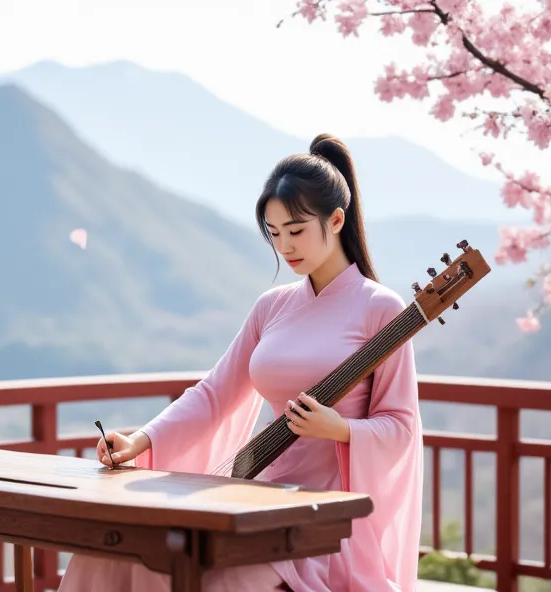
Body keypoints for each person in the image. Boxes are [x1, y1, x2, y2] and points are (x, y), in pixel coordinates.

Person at [57, 133, 424, 592]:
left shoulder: (381, 310)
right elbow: (214, 394)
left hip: (326, 519)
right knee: (116, 555)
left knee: (214, 580)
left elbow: (401, 427)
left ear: (335, 220)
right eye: (274, 234)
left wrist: (340, 429)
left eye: (296, 231)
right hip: (258, 495)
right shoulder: (271, 307)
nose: (285, 247)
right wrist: (141, 440)